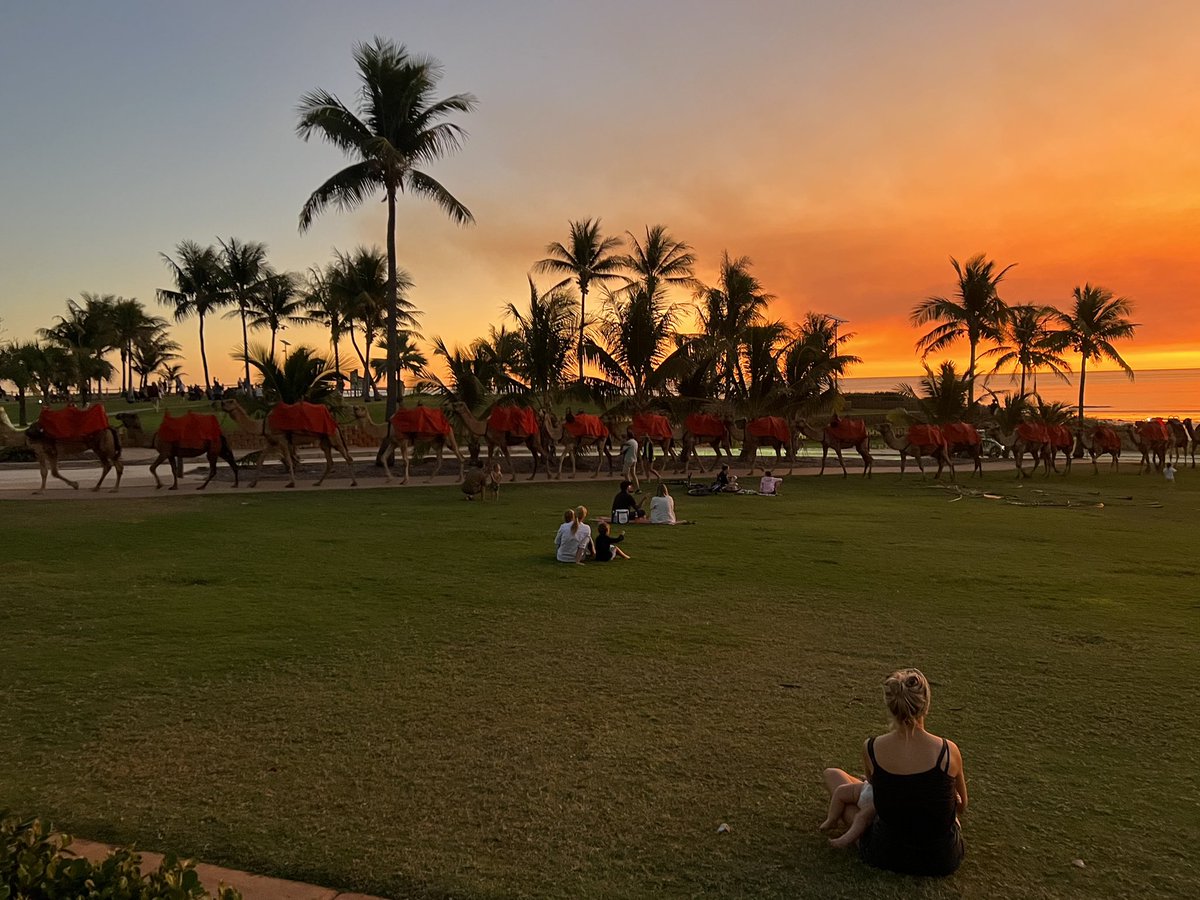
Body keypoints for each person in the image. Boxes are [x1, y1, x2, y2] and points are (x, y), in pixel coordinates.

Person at [822, 668, 967, 876]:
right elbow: (961, 808)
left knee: (837, 780)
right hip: (942, 858)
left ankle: (849, 827)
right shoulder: (948, 751)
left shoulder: (872, 747)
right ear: (925, 704)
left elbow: (873, 785)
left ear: (890, 706)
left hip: (885, 854)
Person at [820, 779, 875, 849]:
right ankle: (832, 819)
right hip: (871, 791)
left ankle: (843, 838)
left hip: (873, 794)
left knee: (862, 818)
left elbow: (870, 776)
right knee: (861, 817)